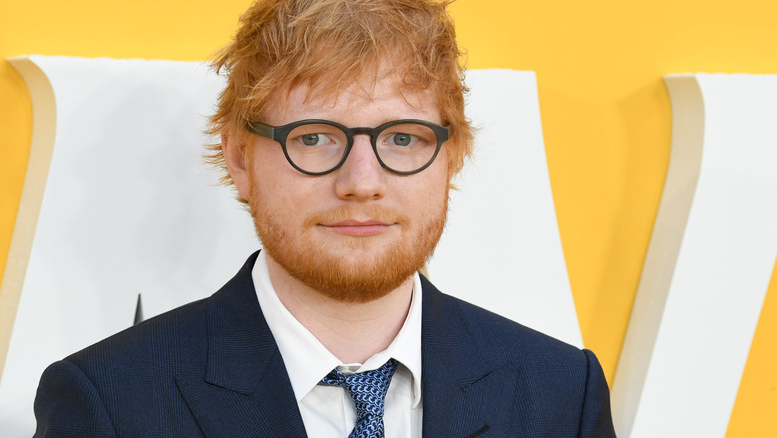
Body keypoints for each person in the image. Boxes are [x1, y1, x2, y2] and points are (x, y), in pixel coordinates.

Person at [33, 0, 616, 436]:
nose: (362, 182)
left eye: (403, 138)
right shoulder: (109, 403)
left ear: (452, 154)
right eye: (313, 138)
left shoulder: (562, 393)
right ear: (239, 156)